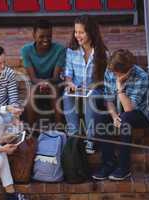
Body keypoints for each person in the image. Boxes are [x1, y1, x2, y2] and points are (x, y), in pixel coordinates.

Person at [92, 49, 149, 181]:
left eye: (116, 74)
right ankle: (108, 163)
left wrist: (119, 87)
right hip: (119, 110)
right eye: (112, 72)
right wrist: (113, 116)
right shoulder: (110, 70)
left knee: (126, 119)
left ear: (128, 70)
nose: (113, 75)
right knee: (100, 116)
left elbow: (129, 108)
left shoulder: (141, 77)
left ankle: (124, 167)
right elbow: (108, 99)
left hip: (139, 114)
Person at [63, 15, 108, 154]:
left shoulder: (102, 53)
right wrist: (70, 83)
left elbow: (106, 80)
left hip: (96, 90)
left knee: (90, 97)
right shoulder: (71, 51)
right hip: (77, 89)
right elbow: (68, 74)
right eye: (76, 32)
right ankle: (74, 136)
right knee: (66, 94)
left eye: (81, 32)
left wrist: (91, 87)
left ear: (91, 32)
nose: (77, 35)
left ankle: (90, 140)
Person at [21, 19, 66, 126]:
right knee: (32, 92)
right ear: (34, 35)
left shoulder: (59, 49)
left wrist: (47, 82)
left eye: (49, 36)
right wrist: (41, 83)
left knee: (54, 90)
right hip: (36, 84)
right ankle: (31, 132)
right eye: (41, 36)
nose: (46, 40)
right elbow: (32, 78)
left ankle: (60, 131)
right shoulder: (26, 50)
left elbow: (56, 77)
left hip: (54, 83)